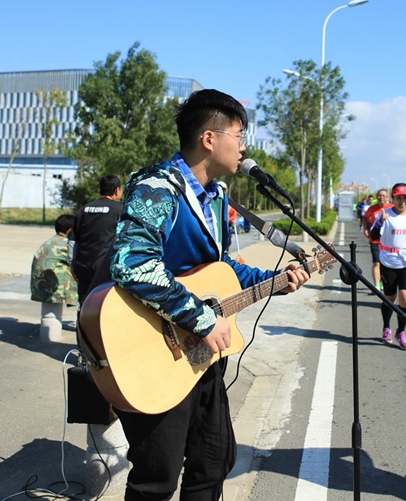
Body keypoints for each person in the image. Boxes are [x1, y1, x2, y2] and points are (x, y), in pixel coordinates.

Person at [107, 89, 309, 500]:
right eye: (239, 135)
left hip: (201, 354)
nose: (244, 147)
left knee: (214, 461)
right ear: (209, 139)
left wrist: (273, 279)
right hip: (156, 347)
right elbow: (132, 264)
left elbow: (217, 269)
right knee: (157, 477)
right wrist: (201, 318)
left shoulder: (215, 196)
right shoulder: (157, 186)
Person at [369, 183, 406, 350]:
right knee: (389, 298)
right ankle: (386, 327)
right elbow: (373, 236)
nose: (402, 201)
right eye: (399, 197)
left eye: (405, 197)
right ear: (393, 198)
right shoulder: (385, 214)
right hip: (388, 261)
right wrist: (380, 222)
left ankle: (401, 332)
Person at [72, 175, 123, 307]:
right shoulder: (121, 211)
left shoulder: (83, 210)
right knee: (105, 306)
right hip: (106, 270)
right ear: (117, 190)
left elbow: (73, 241)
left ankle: (83, 326)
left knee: (84, 304)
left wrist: (72, 265)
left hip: (83, 267)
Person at [31, 214, 78, 341]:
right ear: (70, 230)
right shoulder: (65, 243)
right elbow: (77, 261)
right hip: (53, 289)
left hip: (39, 287)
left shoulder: (49, 241)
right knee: (85, 282)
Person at [362, 189, 393, 292]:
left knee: (386, 264)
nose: (381, 197)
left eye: (384, 195)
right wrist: (365, 229)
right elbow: (365, 218)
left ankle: (385, 282)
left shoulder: (392, 208)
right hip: (375, 240)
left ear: (387, 197)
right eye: (379, 195)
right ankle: (376, 285)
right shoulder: (372, 209)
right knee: (376, 263)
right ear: (377, 197)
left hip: (388, 241)